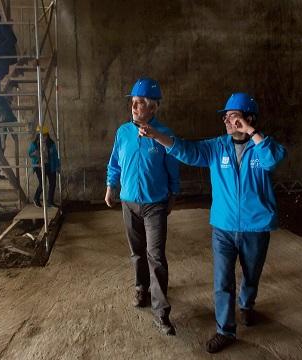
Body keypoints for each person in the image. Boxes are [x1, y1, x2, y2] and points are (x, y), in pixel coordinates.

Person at [139, 92, 286, 352]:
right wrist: (157, 136)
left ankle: (247, 305)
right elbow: (186, 150)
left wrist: (251, 131)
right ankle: (225, 330)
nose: (228, 122)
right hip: (223, 227)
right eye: (226, 117)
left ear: (249, 118)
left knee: (251, 276)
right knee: (222, 281)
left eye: (234, 116)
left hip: (256, 226)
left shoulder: (263, 145)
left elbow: (273, 160)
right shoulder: (217, 147)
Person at [106, 77, 180, 336]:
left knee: (156, 257)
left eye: (139, 103)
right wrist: (110, 185)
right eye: (133, 103)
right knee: (137, 251)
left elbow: (173, 167)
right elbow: (115, 161)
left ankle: (161, 313)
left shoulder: (164, 135)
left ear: (153, 107)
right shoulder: (123, 132)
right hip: (128, 202)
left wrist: (173, 194)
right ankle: (141, 289)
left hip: (155, 205)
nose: (134, 107)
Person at [28, 126, 60, 207]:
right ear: (38, 135)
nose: (43, 137)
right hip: (39, 166)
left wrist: (58, 166)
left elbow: (56, 156)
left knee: (52, 183)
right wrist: (34, 154)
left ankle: (50, 201)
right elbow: (29, 154)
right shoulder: (34, 144)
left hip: (50, 165)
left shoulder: (51, 144)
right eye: (41, 135)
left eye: (45, 135)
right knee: (42, 184)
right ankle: (36, 198)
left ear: (47, 135)